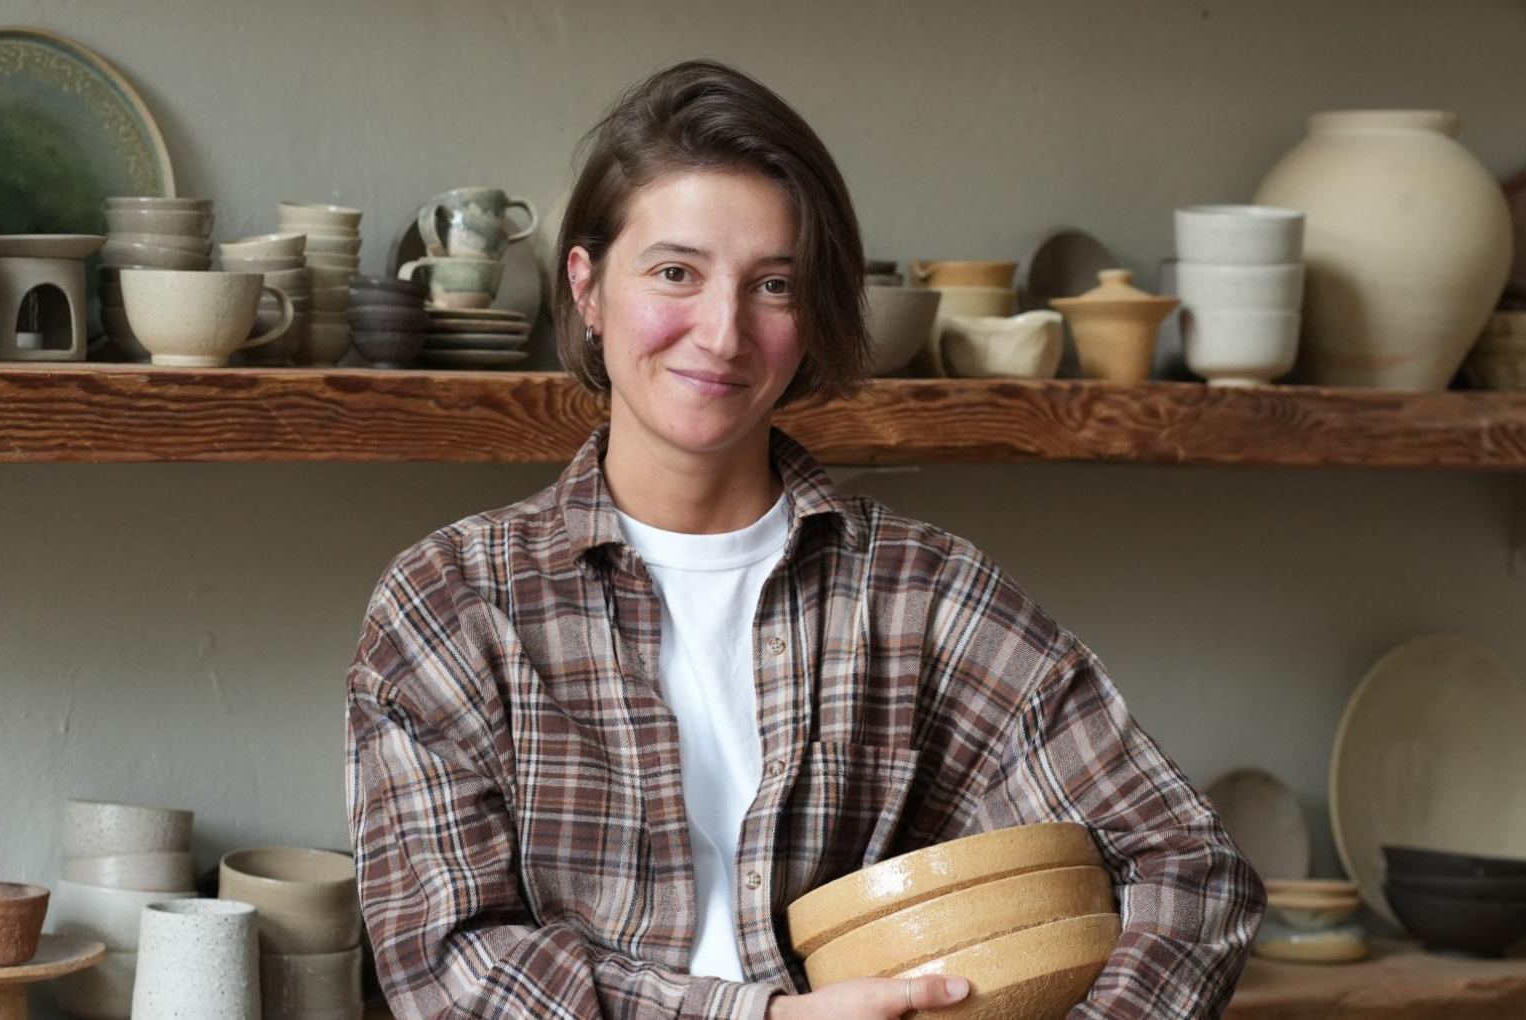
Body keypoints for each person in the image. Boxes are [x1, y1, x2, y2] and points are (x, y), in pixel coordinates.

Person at [346, 59, 1265, 1020]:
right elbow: (449, 971)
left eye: (772, 286)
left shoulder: (922, 593)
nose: (722, 333)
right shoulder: (451, 602)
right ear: (587, 287)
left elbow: (1190, 868)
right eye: (675, 273)